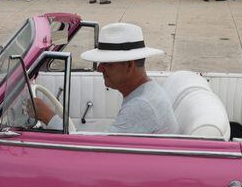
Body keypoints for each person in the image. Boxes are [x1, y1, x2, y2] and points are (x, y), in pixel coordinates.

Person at [34, 22, 180, 135]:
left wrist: (49, 117)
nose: (99, 69)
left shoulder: (141, 106)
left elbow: (95, 155)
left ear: (129, 65)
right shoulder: (147, 92)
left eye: (107, 64)